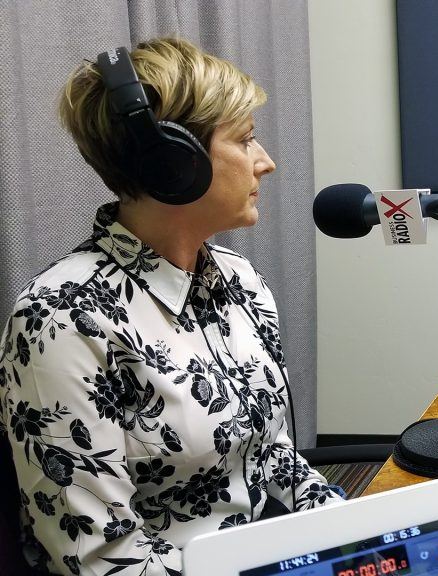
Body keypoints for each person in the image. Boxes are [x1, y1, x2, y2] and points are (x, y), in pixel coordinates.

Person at [0, 37, 341, 575]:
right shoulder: (62, 320)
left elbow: (271, 457)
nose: (266, 163)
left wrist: (358, 539)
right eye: (247, 140)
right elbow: (100, 558)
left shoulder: (240, 280)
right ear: (173, 166)